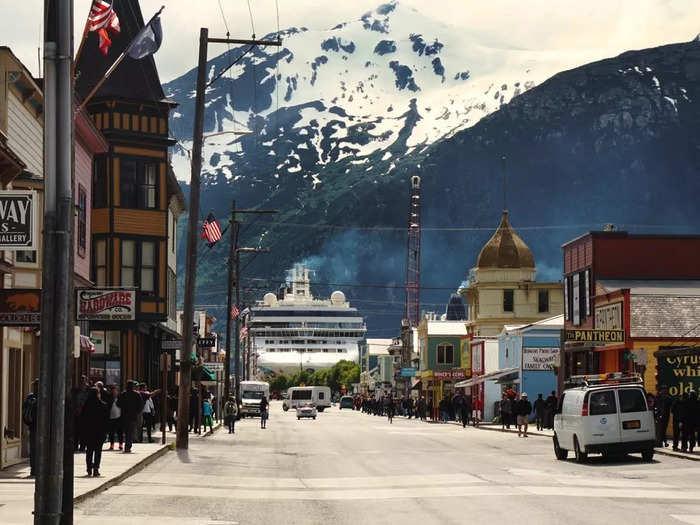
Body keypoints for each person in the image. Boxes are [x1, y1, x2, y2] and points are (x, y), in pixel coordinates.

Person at [82, 387, 108, 476]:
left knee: (89, 451)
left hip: (89, 431)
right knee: (98, 451)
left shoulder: (86, 405)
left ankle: (89, 468)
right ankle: (96, 469)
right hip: (99, 432)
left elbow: (83, 419)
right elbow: (106, 420)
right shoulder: (103, 405)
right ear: (98, 394)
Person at [117, 381, 144, 453]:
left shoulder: (123, 394)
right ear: (133, 386)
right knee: (130, 431)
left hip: (124, 415)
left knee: (127, 432)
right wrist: (136, 412)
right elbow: (141, 406)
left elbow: (118, 403)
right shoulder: (136, 394)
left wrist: (123, 407)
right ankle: (128, 446)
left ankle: (127, 446)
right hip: (132, 416)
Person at [22, 379, 39, 478]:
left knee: (34, 449)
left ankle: (34, 469)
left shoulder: (30, 397)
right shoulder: (45, 396)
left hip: (32, 426)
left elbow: (24, 411)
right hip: (38, 427)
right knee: (38, 449)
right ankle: (36, 469)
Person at [107, 385, 123, 450]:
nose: (114, 392)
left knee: (120, 431)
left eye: (115, 391)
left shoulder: (120, 397)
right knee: (111, 432)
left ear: (117, 391)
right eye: (113, 391)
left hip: (119, 416)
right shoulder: (109, 397)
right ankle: (112, 445)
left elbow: (122, 405)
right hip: (111, 417)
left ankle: (120, 444)